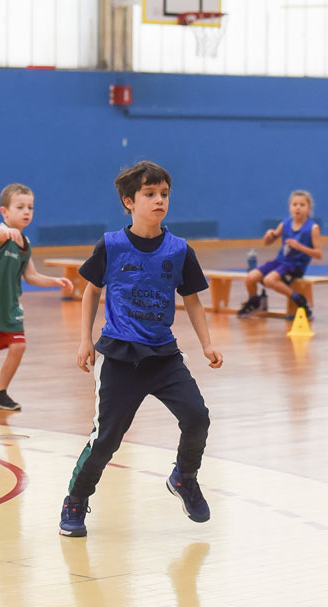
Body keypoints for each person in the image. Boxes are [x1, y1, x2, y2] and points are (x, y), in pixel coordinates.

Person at [59, 161, 224, 538]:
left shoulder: (179, 250)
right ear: (129, 202)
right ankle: (76, 499)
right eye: (150, 194)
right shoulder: (112, 246)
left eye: (164, 194)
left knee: (197, 417)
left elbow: (194, 301)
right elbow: (91, 292)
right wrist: (85, 339)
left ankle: (184, 477)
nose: (159, 200)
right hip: (119, 356)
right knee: (106, 441)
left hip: (163, 356)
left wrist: (207, 343)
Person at [0, 183, 73, 411]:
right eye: (20, 207)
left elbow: (31, 276)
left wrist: (54, 281)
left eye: (30, 207)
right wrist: (4, 232)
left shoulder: (25, 244)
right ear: (5, 212)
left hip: (8, 309)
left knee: (18, 346)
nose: (26, 212)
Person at [237, 190, 321, 319]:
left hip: (295, 266)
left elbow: (318, 254)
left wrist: (299, 247)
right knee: (250, 278)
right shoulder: (285, 224)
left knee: (269, 280)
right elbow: (268, 242)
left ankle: (300, 300)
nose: (298, 207)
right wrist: (269, 235)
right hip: (280, 261)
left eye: (302, 205)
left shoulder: (312, 228)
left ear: (309, 208)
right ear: (290, 207)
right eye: (295, 204)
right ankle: (255, 301)